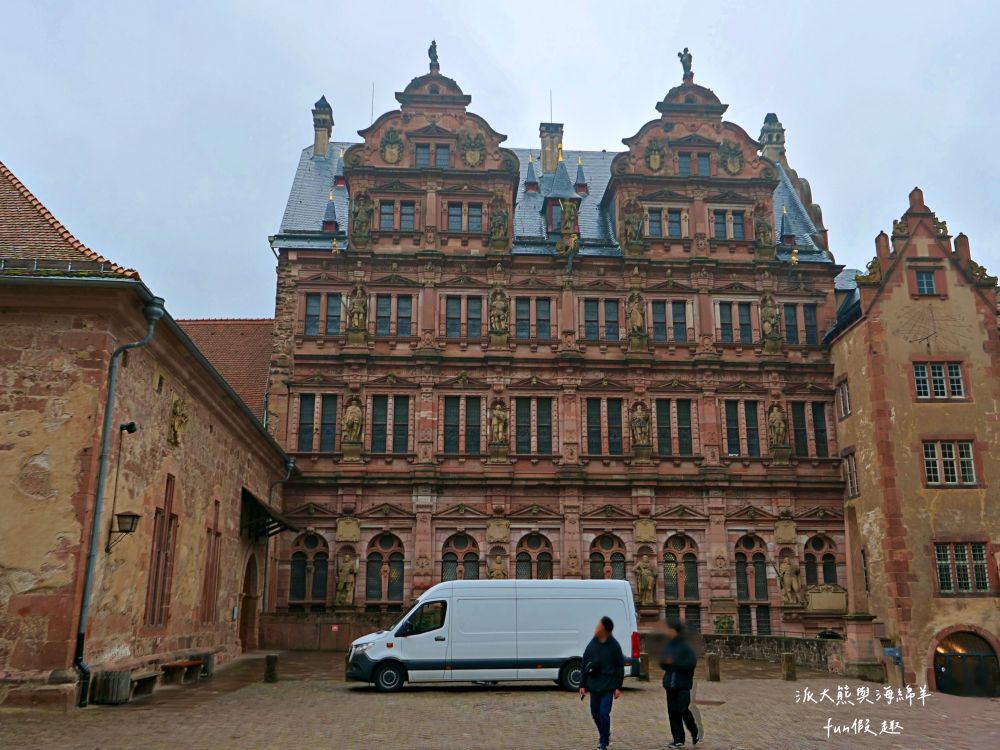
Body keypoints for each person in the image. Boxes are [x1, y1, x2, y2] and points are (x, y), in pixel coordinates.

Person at [580, 616, 625, 750]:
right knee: (595, 713)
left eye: (599, 625)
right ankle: (604, 733)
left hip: (608, 685)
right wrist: (582, 684)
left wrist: (618, 686)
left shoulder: (614, 646)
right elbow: (584, 665)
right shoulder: (592, 644)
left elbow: (619, 667)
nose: (596, 628)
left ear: (605, 629)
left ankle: (603, 741)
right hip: (594, 684)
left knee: (604, 713)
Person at [660, 618, 701, 747]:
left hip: (682, 684)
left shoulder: (686, 648)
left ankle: (694, 731)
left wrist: (674, 663)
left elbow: (690, 665)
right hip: (670, 684)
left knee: (683, 710)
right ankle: (678, 739)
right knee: (672, 712)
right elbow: (663, 662)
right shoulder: (668, 646)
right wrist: (665, 663)